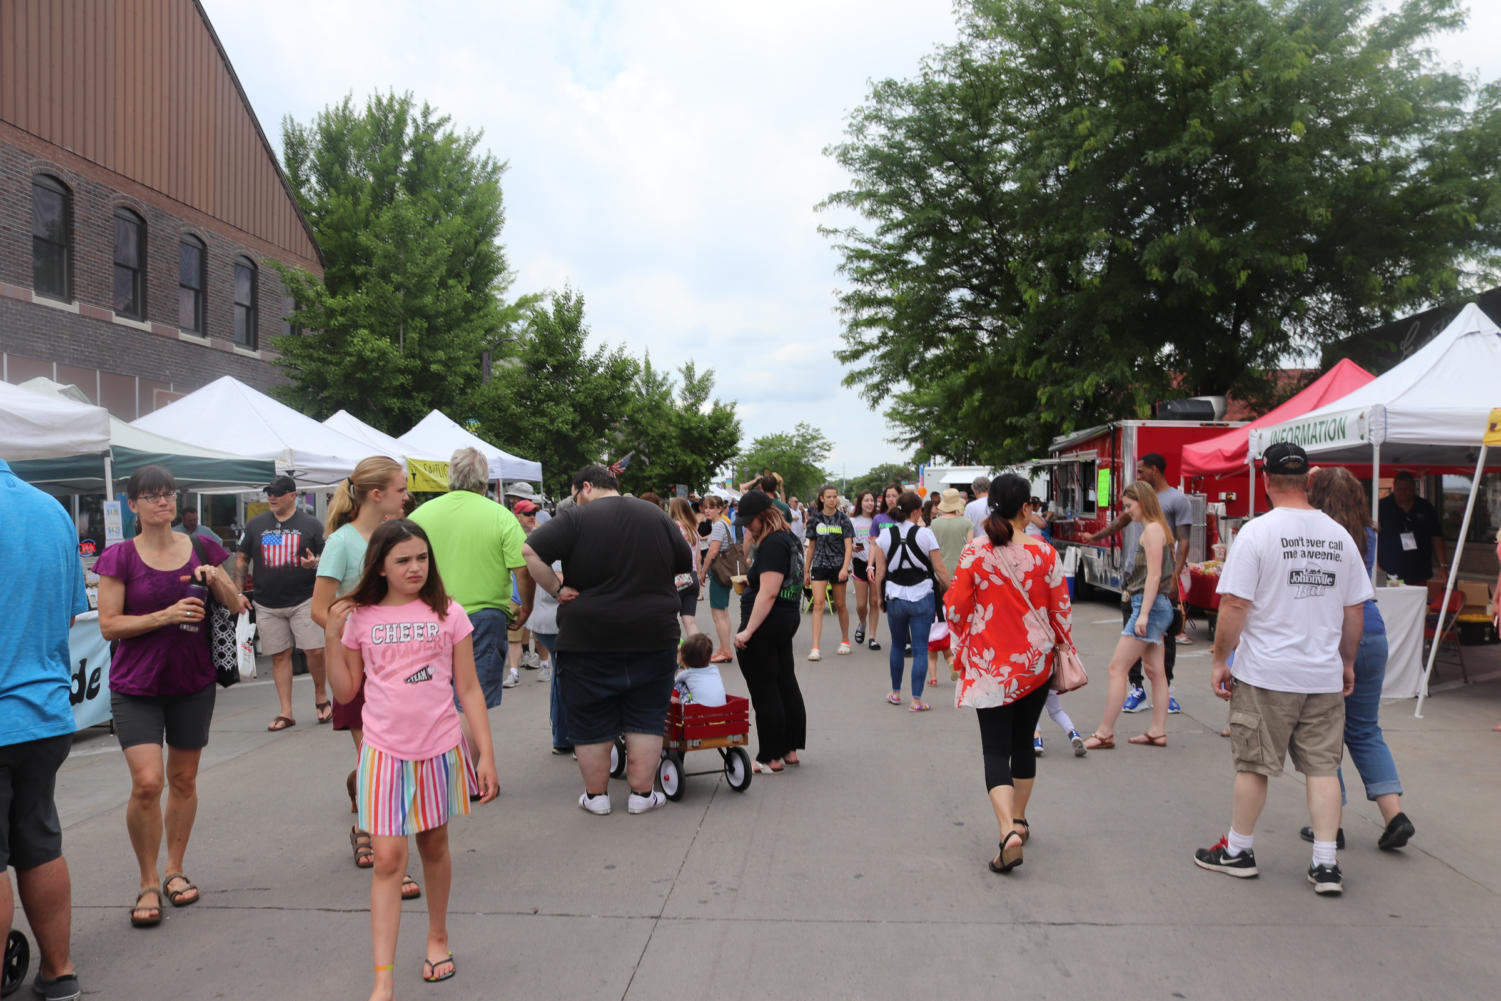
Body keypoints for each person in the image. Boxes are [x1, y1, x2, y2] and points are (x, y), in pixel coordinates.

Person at [329, 519, 498, 997]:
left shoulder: (450, 614)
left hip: (441, 748)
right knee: (387, 859)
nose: (414, 568)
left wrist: (486, 754)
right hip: (382, 753)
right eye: (402, 560)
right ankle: (382, 982)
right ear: (380, 565)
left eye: (421, 558)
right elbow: (346, 691)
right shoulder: (361, 619)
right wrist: (331, 634)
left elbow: (468, 688)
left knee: (435, 848)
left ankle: (437, 937)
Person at [1193, 442, 1371, 896]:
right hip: (1321, 675)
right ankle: (1326, 865)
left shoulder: (1257, 533)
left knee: (1254, 765)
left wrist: (1219, 659)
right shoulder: (1338, 536)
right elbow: (1355, 611)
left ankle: (1238, 849)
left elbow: (1234, 604)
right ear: (1309, 480)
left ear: (1266, 480)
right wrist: (1346, 662)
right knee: (1322, 768)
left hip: (1266, 673)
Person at [96, 465, 246, 928]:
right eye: (152, 495)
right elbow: (108, 625)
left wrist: (215, 578)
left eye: (168, 494)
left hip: (191, 683)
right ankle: (146, 879)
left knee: (182, 780)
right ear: (134, 505)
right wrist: (164, 615)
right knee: (147, 782)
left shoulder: (202, 546)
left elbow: (237, 603)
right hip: (136, 686)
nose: (163, 501)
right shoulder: (120, 556)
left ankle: (174, 870)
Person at [522, 465, 691, 815]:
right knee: (646, 714)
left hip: (587, 636)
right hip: (653, 633)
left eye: (574, 494)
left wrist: (556, 588)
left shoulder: (575, 519)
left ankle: (596, 796)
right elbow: (684, 562)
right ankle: (642, 795)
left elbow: (530, 552)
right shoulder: (655, 516)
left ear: (586, 487)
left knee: (589, 715)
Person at [944, 473, 1075, 874]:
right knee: (1022, 743)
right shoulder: (1045, 553)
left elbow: (955, 607)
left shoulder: (974, 553)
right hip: (1035, 664)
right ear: (1025, 507)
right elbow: (1061, 611)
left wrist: (960, 643)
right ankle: (1020, 819)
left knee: (995, 749)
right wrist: (1064, 647)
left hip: (990, 665)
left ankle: (1006, 833)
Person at [310, 457, 420, 898]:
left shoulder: (400, 536)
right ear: (377, 494)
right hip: (360, 667)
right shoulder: (342, 542)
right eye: (400, 488)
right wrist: (353, 621)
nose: (406, 495)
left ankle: (363, 807)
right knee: (386, 767)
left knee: (388, 764)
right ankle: (394, 861)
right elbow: (320, 608)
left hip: (403, 667)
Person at [0, 456, 89, 999]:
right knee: (38, 839)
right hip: (43, 711)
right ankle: (59, 972)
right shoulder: (50, 509)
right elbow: (71, 613)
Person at [1305, 467, 1416, 850]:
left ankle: (1330, 825)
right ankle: (1394, 815)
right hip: (1373, 631)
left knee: (1325, 733)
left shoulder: (1317, 535)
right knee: (1366, 730)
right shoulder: (1367, 533)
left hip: (1335, 635)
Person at [408, 447, 531, 708]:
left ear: (450, 477)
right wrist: (525, 606)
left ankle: (444, 749)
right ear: (484, 480)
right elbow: (523, 569)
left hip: (430, 615)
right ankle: (468, 751)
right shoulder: (501, 516)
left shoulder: (419, 516)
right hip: (483, 617)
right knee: (472, 703)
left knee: (433, 701)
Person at [1083, 453, 1191, 714]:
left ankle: (1163, 690)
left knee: (1158, 639)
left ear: (1156, 469)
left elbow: (1183, 541)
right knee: (1134, 636)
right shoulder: (1139, 501)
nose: (1139, 475)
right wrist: (1095, 536)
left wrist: (1175, 577)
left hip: (1157, 583)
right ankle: (1138, 689)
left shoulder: (1176, 500)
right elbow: (1120, 522)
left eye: (1142, 471)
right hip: (1132, 579)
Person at [1081, 482, 1175, 750]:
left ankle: (1105, 732)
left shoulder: (1152, 530)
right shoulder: (1155, 528)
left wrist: (1143, 614)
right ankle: (1157, 730)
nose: (1127, 511)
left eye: (1129, 506)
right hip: (1154, 605)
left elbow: (1154, 575)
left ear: (1143, 502)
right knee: (1156, 672)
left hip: (1149, 604)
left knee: (1117, 669)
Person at [237, 474, 328, 730]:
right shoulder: (256, 525)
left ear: (292, 496)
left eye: (277, 493)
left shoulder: (310, 524)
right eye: (269, 493)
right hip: (267, 602)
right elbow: (242, 558)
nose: (272, 497)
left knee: (316, 651)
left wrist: (315, 563)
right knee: (279, 656)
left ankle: (321, 695)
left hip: (304, 598)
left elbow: (327, 555)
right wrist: (238, 593)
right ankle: (286, 711)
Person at [731, 490, 806, 774]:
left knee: (766, 688)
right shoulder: (788, 539)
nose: (747, 526)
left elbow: (769, 591)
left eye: (750, 521)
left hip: (766, 621)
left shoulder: (774, 543)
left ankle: (769, 756)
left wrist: (748, 631)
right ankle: (788, 749)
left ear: (765, 516)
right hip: (784, 618)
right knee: (784, 680)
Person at [870, 491, 949, 711]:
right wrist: (952, 590)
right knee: (921, 649)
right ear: (916, 512)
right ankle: (916, 700)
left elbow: (880, 571)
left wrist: (878, 597)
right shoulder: (926, 534)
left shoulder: (885, 536)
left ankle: (895, 693)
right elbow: (939, 568)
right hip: (922, 595)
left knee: (897, 645)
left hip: (895, 595)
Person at [803, 484, 855, 660]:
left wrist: (844, 568)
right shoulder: (814, 520)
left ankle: (845, 640)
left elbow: (848, 546)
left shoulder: (844, 520)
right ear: (822, 499)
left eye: (835, 496)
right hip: (819, 565)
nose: (833, 499)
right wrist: (806, 571)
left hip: (838, 566)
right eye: (829, 496)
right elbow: (811, 547)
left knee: (840, 604)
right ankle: (815, 647)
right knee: (818, 604)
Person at [931, 488, 974, 681]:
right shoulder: (966, 523)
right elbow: (971, 549)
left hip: (939, 574)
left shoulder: (934, 524)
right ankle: (960, 652)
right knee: (962, 614)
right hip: (961, 574)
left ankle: (942, 645)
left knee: (942, 613)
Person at [1377, 470, 1446, 585]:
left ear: (1414, 488)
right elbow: (1370, 537)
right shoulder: (1381, 507)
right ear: (1394, 488)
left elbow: (1436, 537)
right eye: (1399, 489)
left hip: (1420, 572)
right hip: (1390, 573)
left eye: (1407, 489)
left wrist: (1443, 565)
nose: (1403, 492)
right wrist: (1377, 566)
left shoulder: (1425, 507)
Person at [698, 495, 738, 663]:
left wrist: (703, 571)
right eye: (706, 507)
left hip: (719, 572)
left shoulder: (719, 526)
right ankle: (724, 647)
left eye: (711, 507)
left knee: (718, 614)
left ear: (720, 508)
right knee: (723, 612)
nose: (707, 510)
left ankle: (726, 650)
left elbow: (713, 551)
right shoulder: (724, 524)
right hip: (726, 572)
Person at [848, 491, 881, 650]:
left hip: (876, 564)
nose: (869, 503)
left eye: (872, 500)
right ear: (860, 503)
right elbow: (847, 543)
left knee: (874, 602)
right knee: (861, 605)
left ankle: (872, 637)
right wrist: (852, 547)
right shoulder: (853, 521)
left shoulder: (879, 519)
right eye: (866, 500)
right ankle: (862, 623)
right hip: (860, 564)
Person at [669, 497, 703, 638]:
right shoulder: (693, 529)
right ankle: (698, 655)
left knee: (670, 621)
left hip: (678, 578)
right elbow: (699, 557)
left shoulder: (675, 527)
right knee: (690, 621)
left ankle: (676, 655)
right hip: (692, 577)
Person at [674, 633, 726, 707]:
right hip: (720, 712)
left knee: (680, 684)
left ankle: (674, 706)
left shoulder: (687, 673)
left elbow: (673, 681)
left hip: (698, 713)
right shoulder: (714, 669)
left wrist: (678, 661)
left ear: (684, 659)